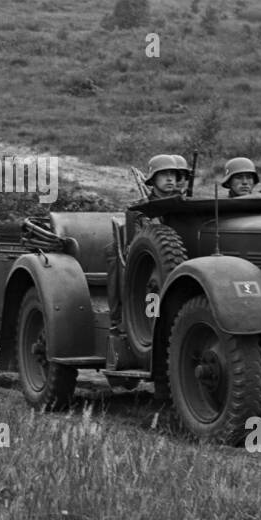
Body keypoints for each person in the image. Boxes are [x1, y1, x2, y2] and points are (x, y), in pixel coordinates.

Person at [107, 153, 193, 368]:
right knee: (153, 313)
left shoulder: (187, 206)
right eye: (164, 175)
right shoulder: (140, 211)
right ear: (153, 180)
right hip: (148, 276)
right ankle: (147, 340)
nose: (170, 179)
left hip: (183, 268)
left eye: (174, 174)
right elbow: (135, 249)